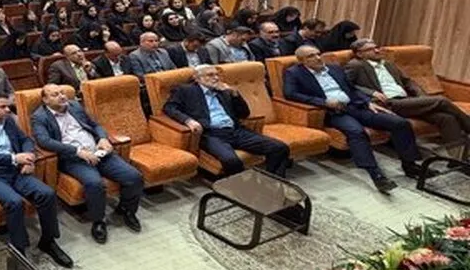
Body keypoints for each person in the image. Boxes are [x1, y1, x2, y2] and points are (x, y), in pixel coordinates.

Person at [284, 46, 420, 192]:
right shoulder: (294, 73)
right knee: (357, 132)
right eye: (311, 56)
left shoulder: (334, 68)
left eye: (318, 54)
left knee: (400, 123)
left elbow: (352, 89)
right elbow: (291, 94)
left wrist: (367, 102)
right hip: (333, 112)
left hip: (356, 106)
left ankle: (410, 165)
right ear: (302, 61)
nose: (318, 58)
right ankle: (376, 174)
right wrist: (323, 102)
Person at [0, 93, 72, 266]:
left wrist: (28, 158)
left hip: (16, 170)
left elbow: (26, 139)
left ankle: (48, 241)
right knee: (14, 202)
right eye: (3, 107)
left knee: (47, 193)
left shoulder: (8, 121)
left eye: (8, 106)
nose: (8, 110)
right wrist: (14, 158)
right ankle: (18, 250)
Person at [31, 84, 142, 244]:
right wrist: (78, 152)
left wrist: (102, 138)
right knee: (94, 183)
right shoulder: (40, 117)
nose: (62, 96)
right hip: (74, 159)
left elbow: (95, 124)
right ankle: (98, 221)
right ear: (45, 100)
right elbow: (44, 141)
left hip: (98, 151)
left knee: (134, 177)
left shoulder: (75, 106)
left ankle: (127, 210)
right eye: (55, 95)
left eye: (62, 93)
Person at [163, 65, 291, 177]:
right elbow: (169, 107)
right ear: (197, 78)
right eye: (210, 75)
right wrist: (188, 121)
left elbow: (244, 114)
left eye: (217, 75)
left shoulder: (224, 91)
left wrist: (235, 94)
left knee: (279, 148)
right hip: (211, 134)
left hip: (235, 131)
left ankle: (273, 180)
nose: (216, 78)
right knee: (231, 160)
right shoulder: (186, 90)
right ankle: (240, 189)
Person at [345, 39, 470, 147]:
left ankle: (456, 157)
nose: (377, 51)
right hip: (389, 103)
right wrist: (371, 92)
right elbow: (345, 85)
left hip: (407, 101)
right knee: (441, 100)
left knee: (446, 118)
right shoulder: (356, 65)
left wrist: (422, 98)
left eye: (376, 47)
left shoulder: (388, 63)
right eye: (371, 49)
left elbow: (408, 82)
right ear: (360, 54)